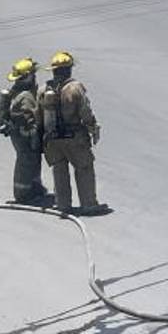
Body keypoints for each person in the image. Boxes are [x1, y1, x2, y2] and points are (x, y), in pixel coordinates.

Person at [39, 51, 109, 215]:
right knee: (84, 169)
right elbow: (85, 112)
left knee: (59, 171)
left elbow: (38, 114)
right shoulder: (75, 88)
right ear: (68, 69)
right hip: (74, 138)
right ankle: (89, 204)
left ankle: (62, 205)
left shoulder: (43, 89)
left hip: (52, 139)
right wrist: (93, 128)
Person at [0, 58, 49, 205]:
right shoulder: (25, 95)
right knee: (25, 161)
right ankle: (22, 194)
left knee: (33, 160)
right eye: (32, 74)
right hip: (23, 135)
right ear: (28, 76)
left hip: (18, 133)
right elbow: (28, 117)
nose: (35, 77)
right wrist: (34, 135)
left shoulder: (17, 90)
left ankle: (35, 188)